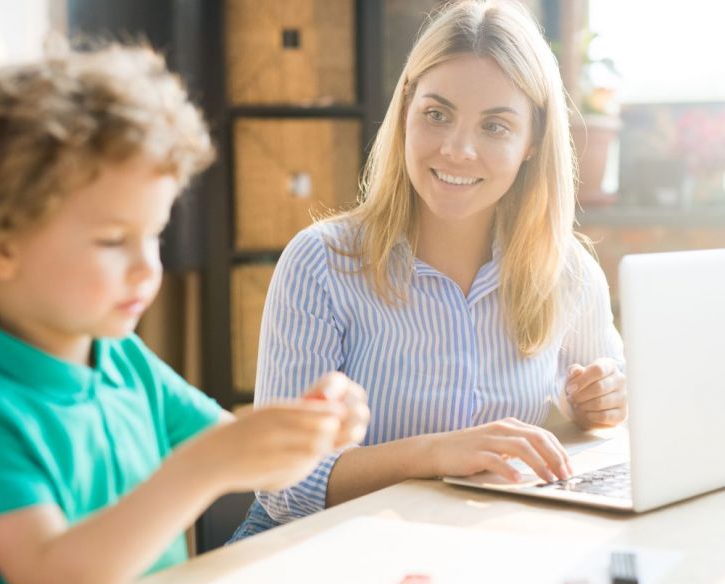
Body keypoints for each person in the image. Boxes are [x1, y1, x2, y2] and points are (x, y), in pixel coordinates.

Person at [0, 44, 369, 584]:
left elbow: (255, 467)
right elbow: (56, 583)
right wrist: (201, 469)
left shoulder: (125, 363)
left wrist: (312, 427)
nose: (149, 269)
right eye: (114, 240)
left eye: (155, 234)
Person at [231, 0, 626, 541]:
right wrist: (441, 452)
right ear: (406, 111)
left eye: (495, 126)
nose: (458, 149)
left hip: (469, 547)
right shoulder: (321, 262)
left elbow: (603, 422)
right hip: (313, 549)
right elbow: (283, 484)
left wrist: (601, 406)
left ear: (532, 141)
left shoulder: (569, 272)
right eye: (437, 114)